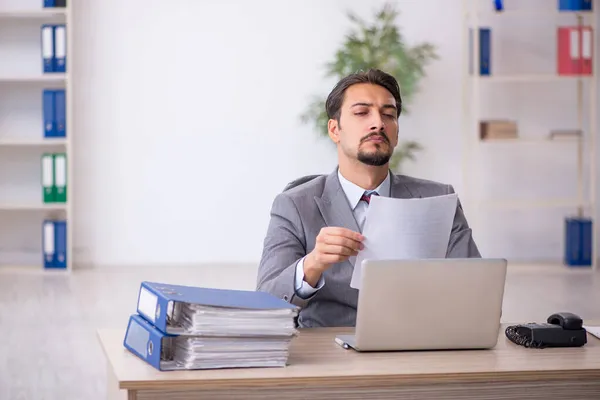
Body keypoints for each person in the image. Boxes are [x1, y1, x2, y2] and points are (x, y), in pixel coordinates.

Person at [255, 68, 480, 328]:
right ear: (334, 129)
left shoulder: (439, 199)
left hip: (419, 350)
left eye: (389, 114)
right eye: (362, 112)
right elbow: (265, 303)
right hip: (330, 357)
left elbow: (476, 293)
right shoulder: (294, 205)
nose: (378, 123)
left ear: (396, 132)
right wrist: (313, 264)